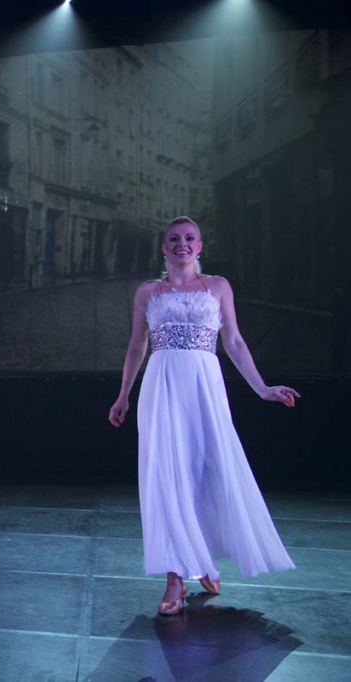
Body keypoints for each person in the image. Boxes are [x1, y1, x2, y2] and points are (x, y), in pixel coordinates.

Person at [108, 217, 298, 616]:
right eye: (174, 239)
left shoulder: (218, 286)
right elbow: (137, 345)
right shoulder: (148, 291)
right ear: (164, 247)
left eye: (189, 238)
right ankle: (175, 577)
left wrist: (263, 389)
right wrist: (123, 394)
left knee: (209, 469)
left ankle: (205, 560)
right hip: (162, 386)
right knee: (167, 474)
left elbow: (234, 341)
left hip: (204, 387)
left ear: (200, 246)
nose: (182, 243)